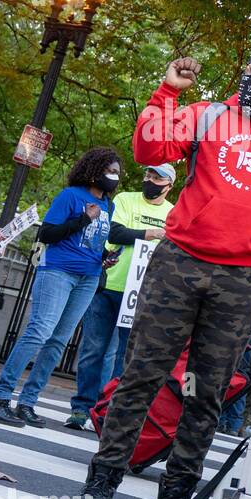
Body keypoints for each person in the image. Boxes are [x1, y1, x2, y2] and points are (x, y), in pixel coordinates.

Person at [77, 51, 251, 499]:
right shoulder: (207, 115)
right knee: (142, 374)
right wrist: (168, 91)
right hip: (180, 263)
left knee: (206, 389)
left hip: (241, 278)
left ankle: (179, 489)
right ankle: (103, 478)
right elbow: (149, 152)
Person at [0, 149, 128, 428]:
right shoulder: (71, 196)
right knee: (40, 331)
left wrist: (104, 258)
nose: (113, 177)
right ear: (94, 171)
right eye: (109, 171)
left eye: (117, 173)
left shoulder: (109, 206)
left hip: (88, 278)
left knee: (59, 341)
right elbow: (47, 233)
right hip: (58, 271)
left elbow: (94, 242)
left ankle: (27, 403)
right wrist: (83, 220)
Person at [66, 163, 175, 429]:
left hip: (142, 295)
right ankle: (81, 408)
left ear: (169, 185)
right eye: (148, 174)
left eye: (157, 177)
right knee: (93, 349)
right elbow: (115, 232)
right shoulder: (125, 199)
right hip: (110, 286)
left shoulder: (174, 213)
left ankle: (107, 411)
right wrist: (151, 233)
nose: (149, 180)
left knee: (124, 357)